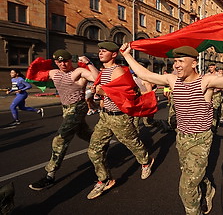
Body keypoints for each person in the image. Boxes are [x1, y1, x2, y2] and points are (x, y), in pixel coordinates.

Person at [120, 36, 223, 215]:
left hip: (200, 140)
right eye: (175, 61)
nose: (176, 65)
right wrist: (127, 55)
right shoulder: (172, 80)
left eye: (181, 61)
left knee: (187, 187)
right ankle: (208, 189)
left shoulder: (205, 82)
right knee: (191, 172)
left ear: (193, 64)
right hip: (181, 137)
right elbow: (145, 75)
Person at [86, 41, 154, 200]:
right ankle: (104, 179)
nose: (100, 53)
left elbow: (128, 97)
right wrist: (100, 96)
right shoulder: (104, 71)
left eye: (104, 51)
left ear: (114, 54)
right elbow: (105, 93)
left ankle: (146, 162)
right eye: (100, 50)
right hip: (105, 116)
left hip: (119, 117)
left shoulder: (119, 72)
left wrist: (105, 92)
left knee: (133, 144)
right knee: (94, 150)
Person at [29, 50, 99, 190]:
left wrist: (89, 63)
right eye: (59, 62)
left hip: (78, 107)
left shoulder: (78, 72)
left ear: (70, 60)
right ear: (55, 62)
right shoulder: (54, 73)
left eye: (65, 61)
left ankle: (50, 175)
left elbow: (98, 78)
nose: (63, 64)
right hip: (66, 109)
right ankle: (101, 144)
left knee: (60, 139)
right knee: (83, 133)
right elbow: (37, 76)